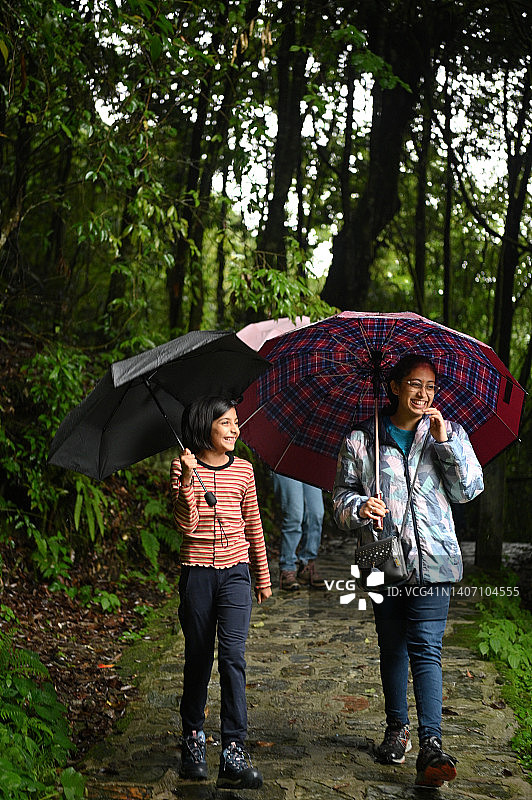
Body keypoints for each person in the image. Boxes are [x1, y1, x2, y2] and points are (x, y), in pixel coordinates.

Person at [332, 354, 483, 788]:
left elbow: (469, 489)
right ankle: (395, 730)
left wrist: (446, 443)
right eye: (415, 385)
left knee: (426, 645)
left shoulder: (449, 434)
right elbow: (338, 503)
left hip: (435, 560)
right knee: (392, 644)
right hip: (381, 561)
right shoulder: (361, 439)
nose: (423, 394)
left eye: (431, 388)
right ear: (395, 386)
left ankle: (431, 743)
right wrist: (359, 507)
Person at [170, 396, 272, 789]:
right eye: (226, 424)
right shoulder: (183, 468)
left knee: (232, 657)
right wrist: (186, 482)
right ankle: (193, 742)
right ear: (204, 427)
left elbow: (254, 526)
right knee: (198, 657)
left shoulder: (244, 471)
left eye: (236, 423)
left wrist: (261, 576)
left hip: (236, 575)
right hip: (196, 574)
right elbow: (187, 524)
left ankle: (233, 750)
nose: (234, 430)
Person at [272, 474, 326, 590]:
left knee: (316, 514)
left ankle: (306, 565)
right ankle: (287, 568)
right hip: (286, 463)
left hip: (310, 464)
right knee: (294, 516)